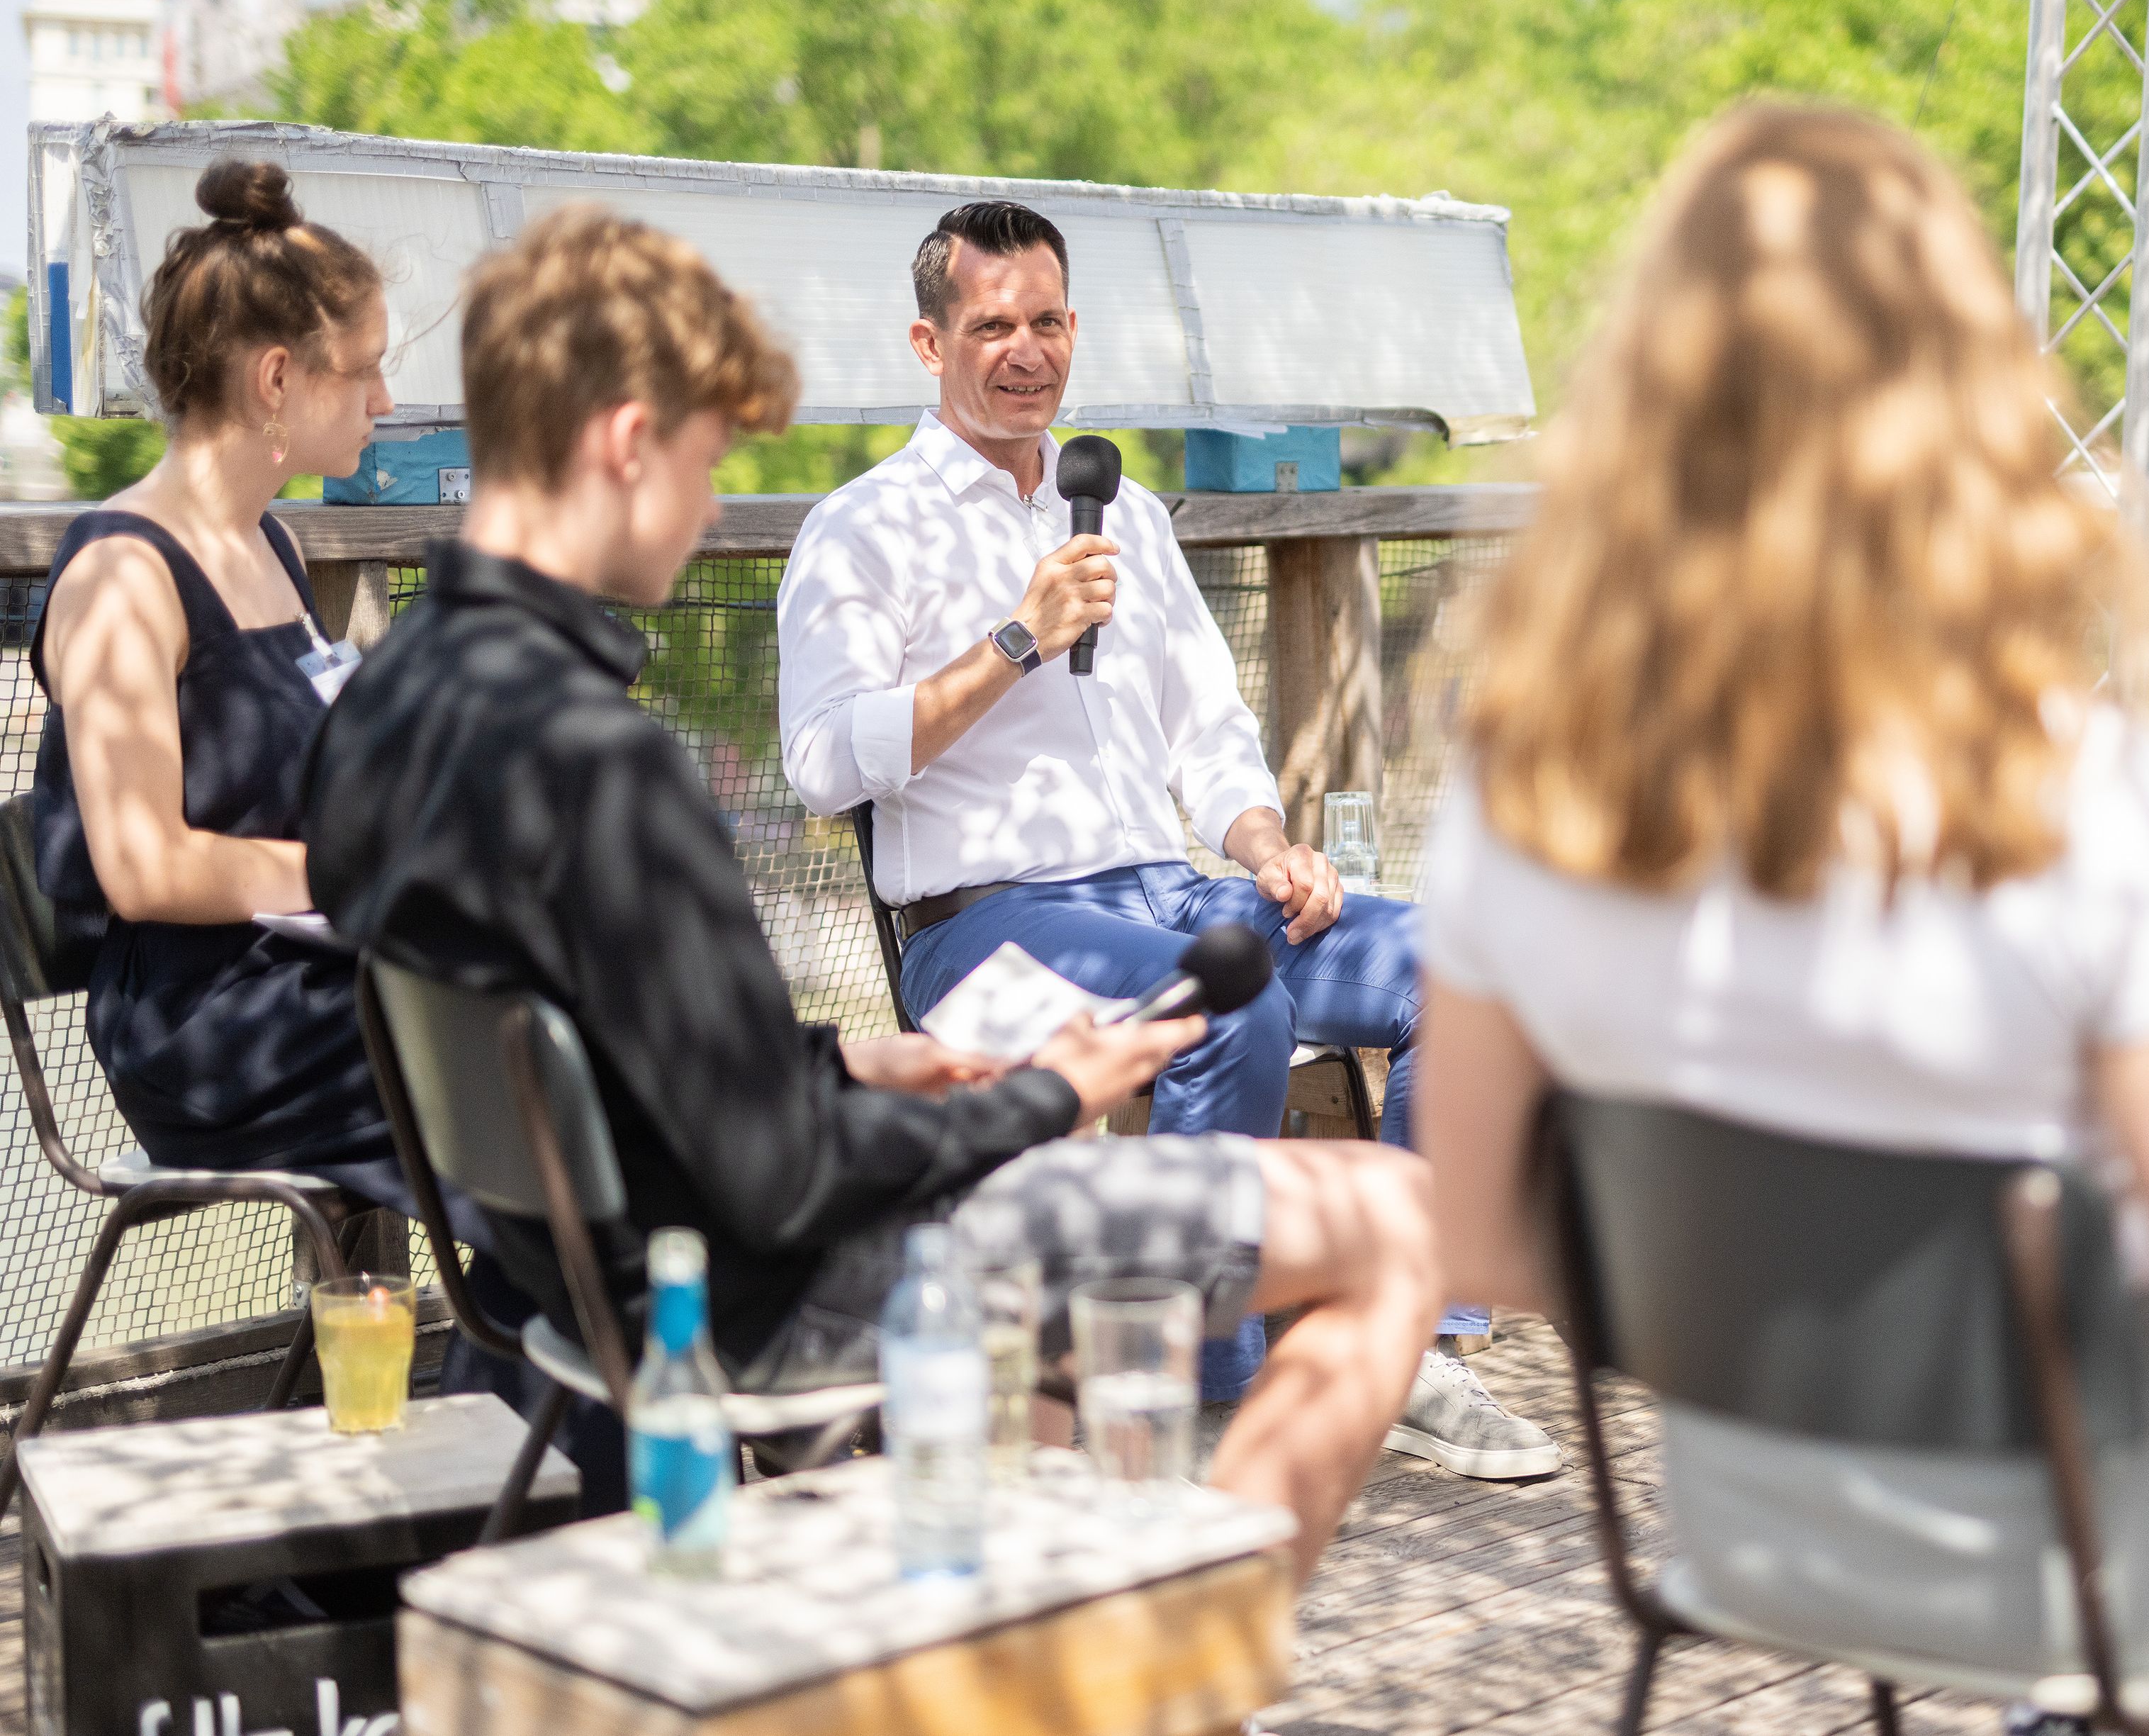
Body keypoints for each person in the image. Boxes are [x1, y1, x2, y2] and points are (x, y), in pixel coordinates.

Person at [1414, 103, 2149, 1733]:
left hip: (1768, 1536)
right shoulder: (2074, 791)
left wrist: (1769, 1295)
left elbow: (1480, 1234)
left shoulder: (1517, 796)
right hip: (2103, 1557)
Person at [301, 206, 1444, 1574]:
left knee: (1396, 1030)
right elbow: (783, 1181)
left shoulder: (389, 707)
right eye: (708, 459)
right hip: (762, 1295)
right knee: (1392, 1223)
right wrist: (1045, 1098)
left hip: (572, 1286)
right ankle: (1203, 1607)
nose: (713, 506)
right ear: (625, 442)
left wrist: (855, 1057)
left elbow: (656, 1071)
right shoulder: (601, 767)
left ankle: (1120, 1554)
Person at [773, 200, 1556, 1479]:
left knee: (1464, 973)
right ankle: (1200, 1400)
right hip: (986, 930)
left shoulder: (1120, 507)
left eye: (1045, 323)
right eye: (990, 327)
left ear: (1074, 327)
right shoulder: (863, 527)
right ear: (928, 344)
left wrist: (1265, 847)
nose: (1024, 352)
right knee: (1217, 1013)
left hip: (1178, 892)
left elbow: (1207, 726)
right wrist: (1013, 641)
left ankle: (1416, 1339)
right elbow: (820, 766)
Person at [26, 159, 398, 1189]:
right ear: (277, 379)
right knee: (523, 1055)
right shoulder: (122, 577)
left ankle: (551, 1326)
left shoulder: (270, 546)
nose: (386, 396)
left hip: (315, 980)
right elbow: (145, 869)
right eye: (363, 368)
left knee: (568, 1020)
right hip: (212, 1031)